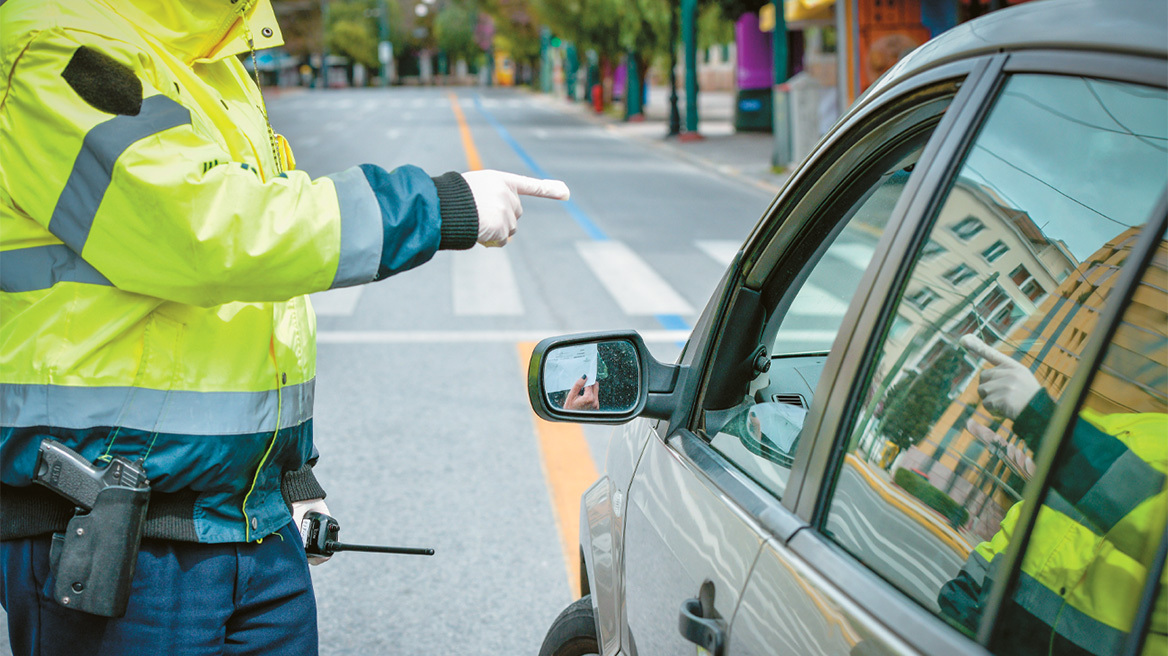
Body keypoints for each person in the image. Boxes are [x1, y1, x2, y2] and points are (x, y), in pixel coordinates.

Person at [0, 0, 568, 654]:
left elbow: (266, 302)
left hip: (251, 526)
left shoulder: (216, 58)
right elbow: (208, 233)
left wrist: (290, 476)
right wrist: (435, 205)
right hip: (115, 538)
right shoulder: (54, 38)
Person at [937, 335, 1166, 656]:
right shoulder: (1131, 428)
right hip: (987, 630)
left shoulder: (1104, 436)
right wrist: (973, 581)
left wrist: (1040, 416)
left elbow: (1145, 518)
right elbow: (1038, 513)